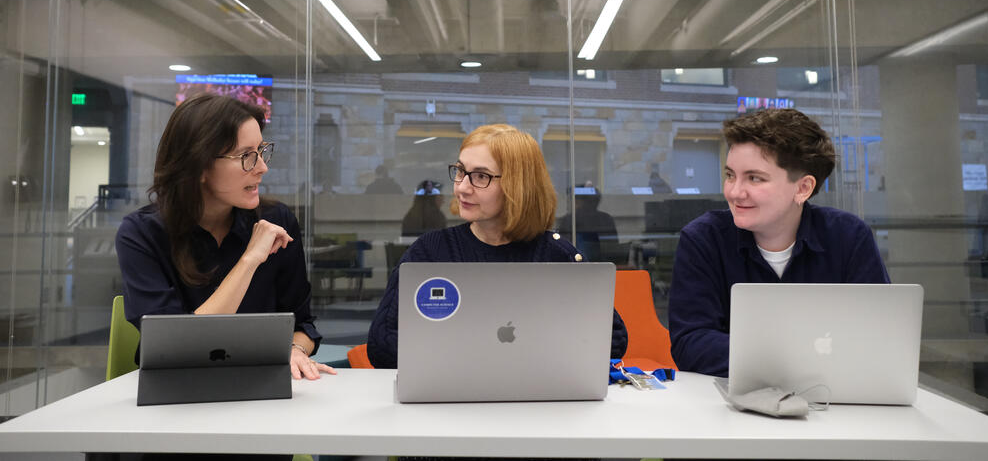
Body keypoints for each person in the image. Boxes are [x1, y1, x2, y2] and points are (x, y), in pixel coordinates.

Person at [115, 94, 335, 385]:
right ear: (200, 166)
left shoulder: (276, 221)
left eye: (261, 151)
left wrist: (294, 350)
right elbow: (181, 347)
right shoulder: (142, 233)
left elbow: (302, 324)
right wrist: (249, 260)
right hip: (174, 393)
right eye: (246, 156)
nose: (262, 167)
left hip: (260, 390)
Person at [367, 124, 628, 368]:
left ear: (518, 186)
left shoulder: (557, 254)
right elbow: (381, 346)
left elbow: (614, 341)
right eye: (460, 171)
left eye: (481, 176)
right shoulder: (431, 251)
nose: (462, 187)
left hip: (539, 403)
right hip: (450, 402)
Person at [668, 108, 890, 377]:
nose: (735, 192)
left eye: (754, 178)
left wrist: (769, 356)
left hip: (837, 398)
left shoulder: (849, 237)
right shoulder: (704, 239)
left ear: (803, 188)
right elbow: (690, 343)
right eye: (730, 175)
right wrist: (799, 358)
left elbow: (879, 338)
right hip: (731, 404)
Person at [556, 183, 618, 262]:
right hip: (601, 267)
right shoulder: (606, 219)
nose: (570, 204)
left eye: (572, 200)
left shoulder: (569, 219)